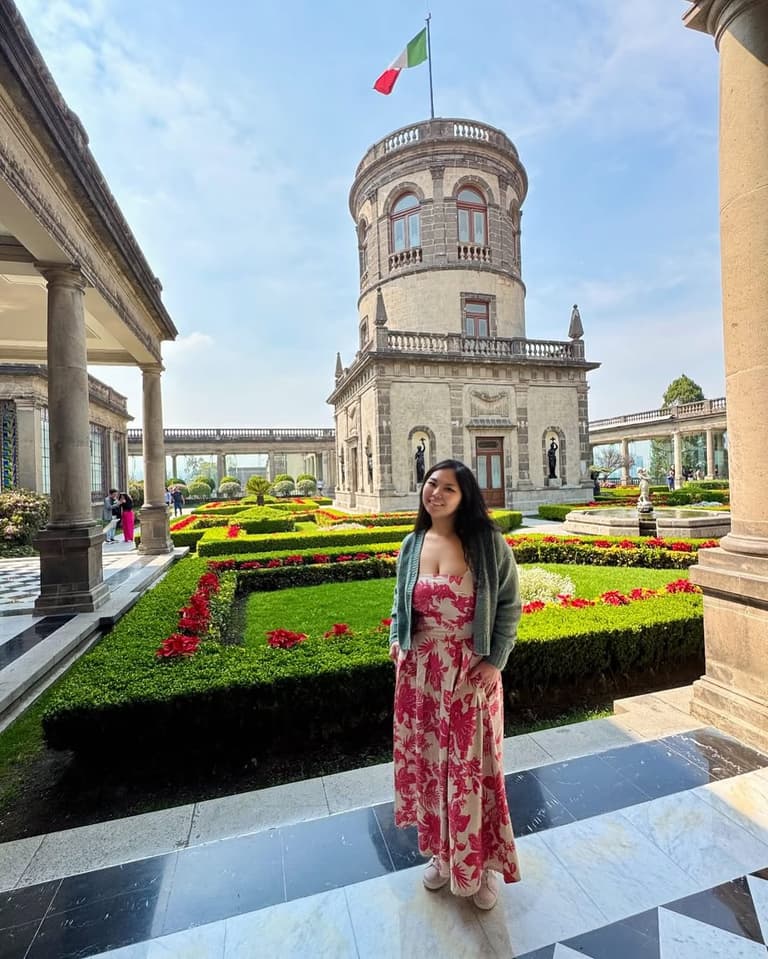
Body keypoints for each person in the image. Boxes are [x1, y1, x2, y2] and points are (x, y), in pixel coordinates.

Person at [389, 459, 521, 911]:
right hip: (421, 678)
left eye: (448, 488)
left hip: (469, 673)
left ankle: (481, 865)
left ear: (465, 497)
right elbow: (399, 603)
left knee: (471, 770)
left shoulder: (487, 544)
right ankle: (444, 855)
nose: (436, 493)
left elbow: (509, 605)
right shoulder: (412, 544)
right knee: (432, 768)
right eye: (431, 484)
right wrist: (396, 640)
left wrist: (495, 661)